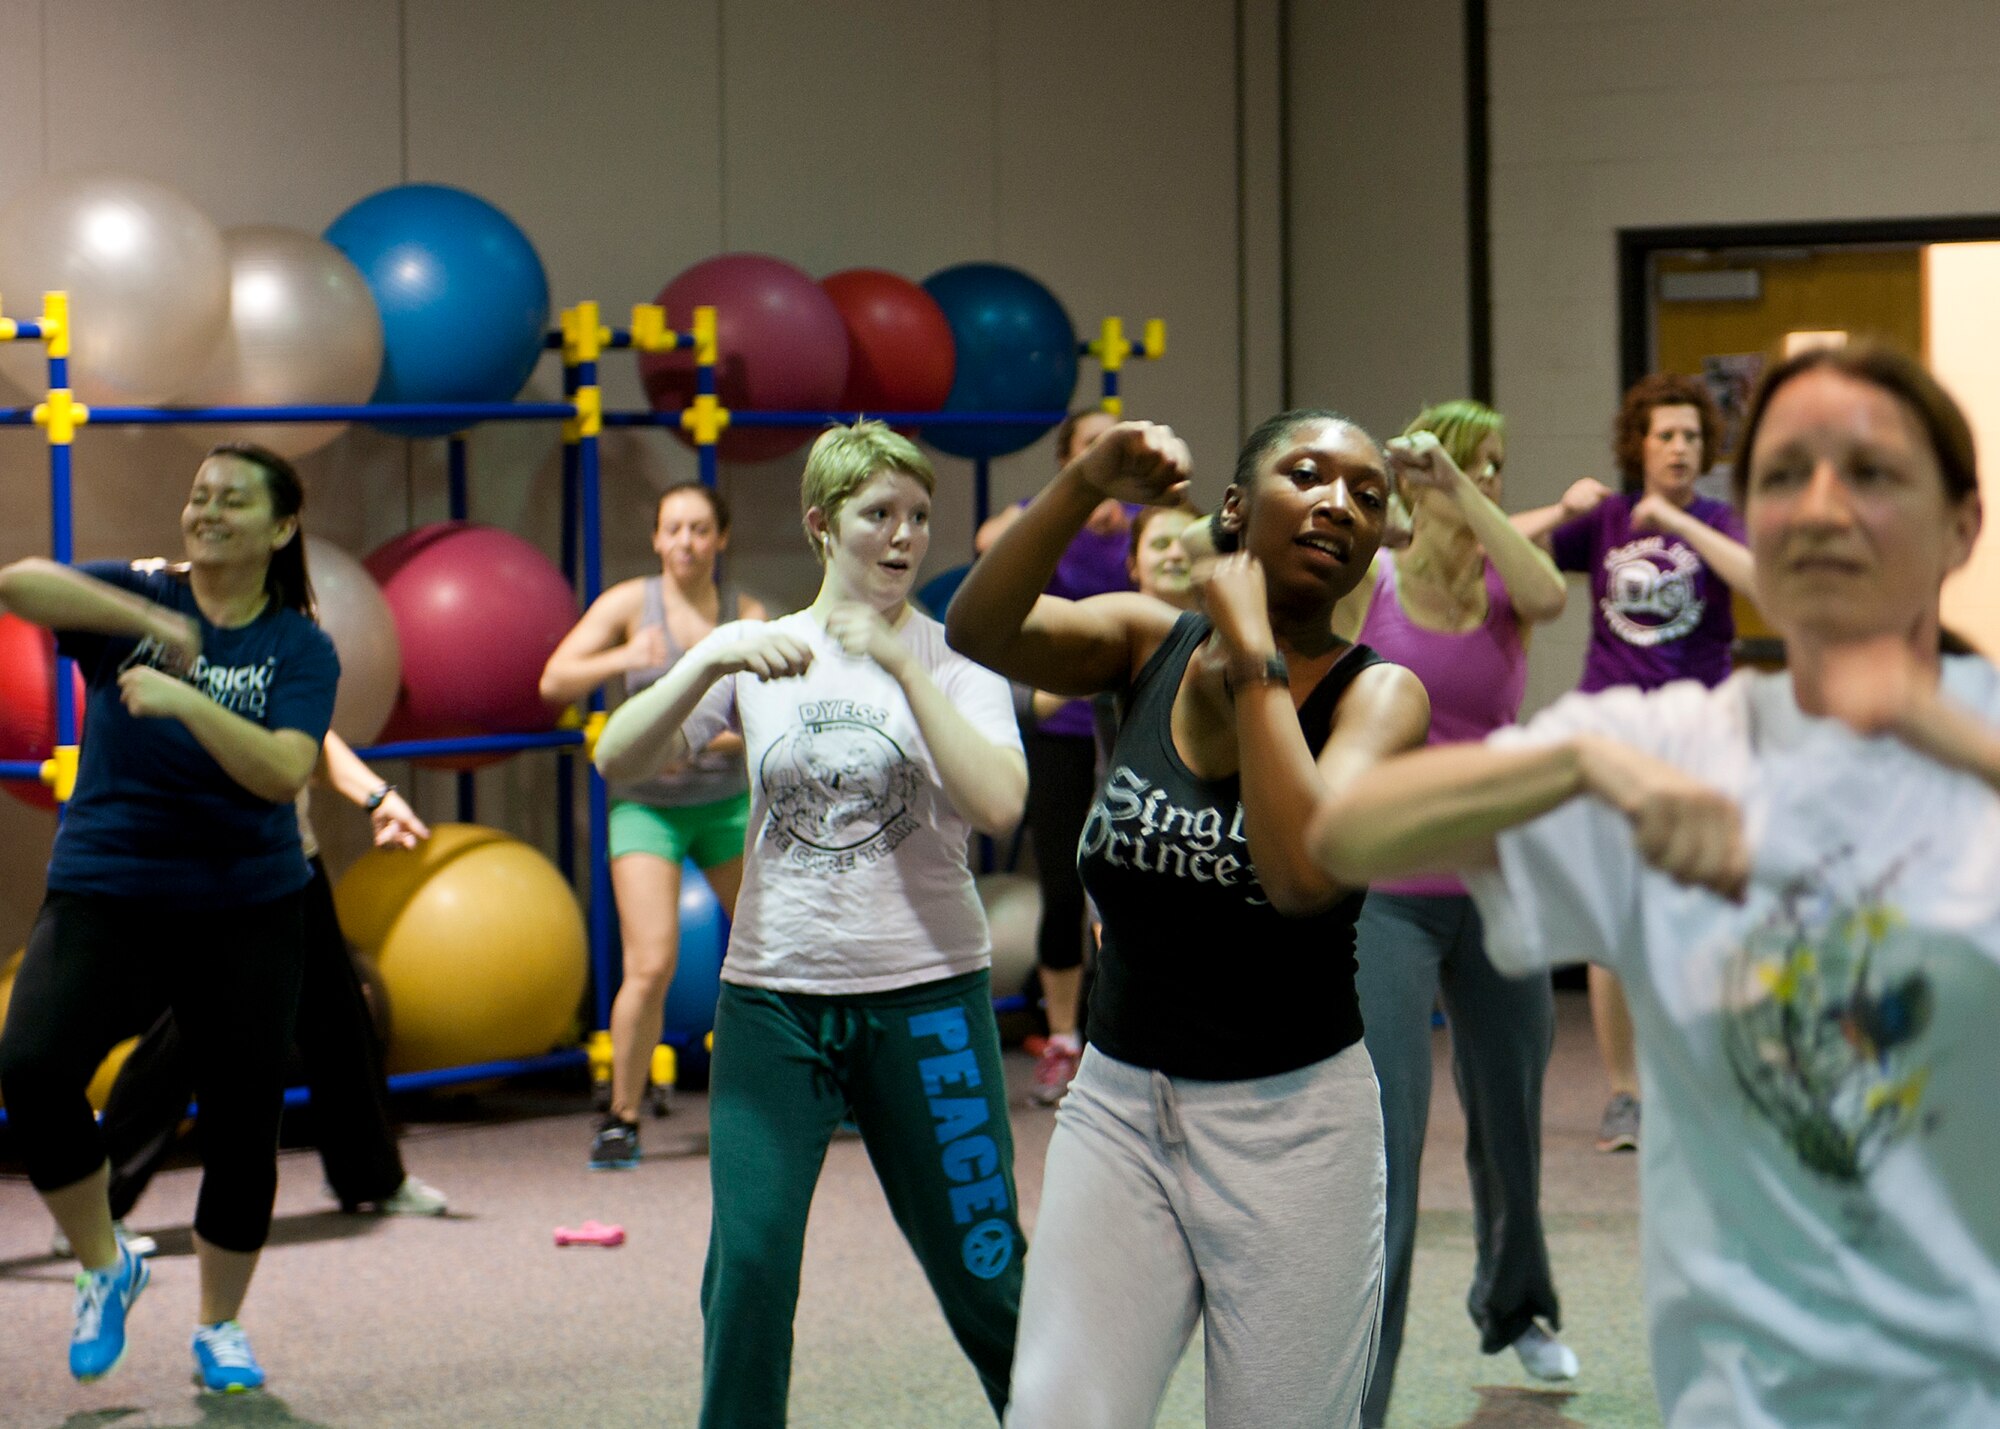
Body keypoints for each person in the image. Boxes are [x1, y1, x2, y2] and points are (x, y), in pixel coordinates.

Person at [1310, 344, 2000, 1428]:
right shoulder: (1664, 743)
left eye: (1867, 472)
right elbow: (1340, 829)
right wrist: (1573, 764)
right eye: (1780, 476)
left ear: (1960, 525)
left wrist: (1933, 731)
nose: (1819, 505)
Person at [948, 413, 1431, 1426]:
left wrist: (1255, 657)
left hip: (1294, 1126)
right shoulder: (1140, 641)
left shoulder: (1378, 697)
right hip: (1119, 1106)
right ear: (1231, 510)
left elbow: (1300, 875)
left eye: (1366, 494)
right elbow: (977, 630)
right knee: (1056, 1413)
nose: (1336, 501)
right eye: (1305, 475)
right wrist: (1084, 480)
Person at [595, 421, 1030, 1426]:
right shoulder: (763, 653)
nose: (902, 536)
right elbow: (619, 758)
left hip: (925, 1001)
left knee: (984, 1268)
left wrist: (908, 670)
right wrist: (707, 657)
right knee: (745, 1269)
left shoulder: (955, 658)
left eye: (918, 517)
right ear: (820, 525)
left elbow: (1001, 802)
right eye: (878, 513)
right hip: (773, 1003)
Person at [0, 442, 339, 1393]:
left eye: (234, 500)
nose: (208, 510)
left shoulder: (300, 646)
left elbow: (282, 770)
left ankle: (220, 1326)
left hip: (246, 904)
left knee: (241, 1123)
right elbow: (19, 583)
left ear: (280, 528)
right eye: (199, 496)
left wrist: (188, 698)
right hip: (110, 884)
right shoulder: (137, 597)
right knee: (30, 1067)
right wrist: (150, 615)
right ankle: (107, 1261)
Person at [1339, 402, 1578, 1424]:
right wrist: (1401, 493)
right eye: (1465, 458)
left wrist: (1464, 489)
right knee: (1388, 1132)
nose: (1474, 476)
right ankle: (1365, 1371)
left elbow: (1550, 590)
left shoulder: (1503, 586)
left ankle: (1516, 1303)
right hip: (1387, 889)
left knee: (1509, 1119)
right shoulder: (1374, 583)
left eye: (1490, 464)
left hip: (1491, 885)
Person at [74, 729, 447, 1254]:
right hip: (216, 867)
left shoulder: (287, 652)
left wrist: (378, 797)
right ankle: (90, 1211)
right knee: (188, 1035)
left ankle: (371, 1176)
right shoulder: (186, 659)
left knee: (337, 1017)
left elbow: (317, 737)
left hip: (294, 855)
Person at [1512, 373, 1755, 1153]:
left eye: (1690, 435)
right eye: (1665, 435)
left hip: (1699, 733)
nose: (1679, 446)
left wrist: (1679, 523)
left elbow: (1762, 583)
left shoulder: (1721, 520)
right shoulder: (1607, 519)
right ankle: (1625, 1093)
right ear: (1638, 446)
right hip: (1613, 729)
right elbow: (1491, 544)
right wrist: (1564, 508)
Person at [540, 480, 766, 1169]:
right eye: (674, 529)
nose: (686, 543)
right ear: (657, 538)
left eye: (700, 529)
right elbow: (555, 681)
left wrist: (695, 742)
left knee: (775, 949)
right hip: (646, 808)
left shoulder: (745, 613)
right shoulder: (628, 605)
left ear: (721, 539)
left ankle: (806, 1089)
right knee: (651, 962)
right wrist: (623, 658)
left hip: (725, 805)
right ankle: (621, 1114)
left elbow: (763, 716)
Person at [975, 408, 1135, 1103]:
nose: (1105, 453)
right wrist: (1071, 506)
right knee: (1065, 885)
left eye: (1113, 442)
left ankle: (1125, 1034)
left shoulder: (1141, 519)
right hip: (1060, 724)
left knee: (1133, 887)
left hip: (1136, 723)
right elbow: (987, 539)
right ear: (1069, 459)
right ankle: (1064, 1039)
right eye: (1090, 445)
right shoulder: (1044, 516)